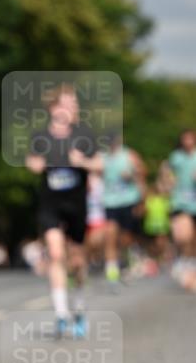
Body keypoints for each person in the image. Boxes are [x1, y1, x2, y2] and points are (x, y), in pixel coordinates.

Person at [25, 84, 102, 338]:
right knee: (56, 255)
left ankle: (78, 305)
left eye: (75, 104)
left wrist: (84, 162)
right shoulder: (41, 137)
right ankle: (60, 313)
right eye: (69, 103)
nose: (74, 108)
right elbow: (32, 161)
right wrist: (36, 163)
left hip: (77, 206)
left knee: (78, 260)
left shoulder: (84, 135)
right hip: (51, 206)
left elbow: (100, 164)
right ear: (54, 107)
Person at [102, 136, 146, 288]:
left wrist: (141, 199)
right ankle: (111, 271)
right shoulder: (102, 157)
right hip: (110, 202)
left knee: (125, 237)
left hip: (128, 200)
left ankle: (125, 260)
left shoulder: (129, 155)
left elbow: (142, 173)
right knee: (110, 234)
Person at [165, 129, 196, 286]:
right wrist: (169, 181)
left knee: (192, 238)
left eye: (190, 139)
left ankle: (190, 260)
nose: (188, 142)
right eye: (185, 139)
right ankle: (183, 259)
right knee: (184, 235)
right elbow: (166, 172)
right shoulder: (176, 157)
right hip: (180, 201)